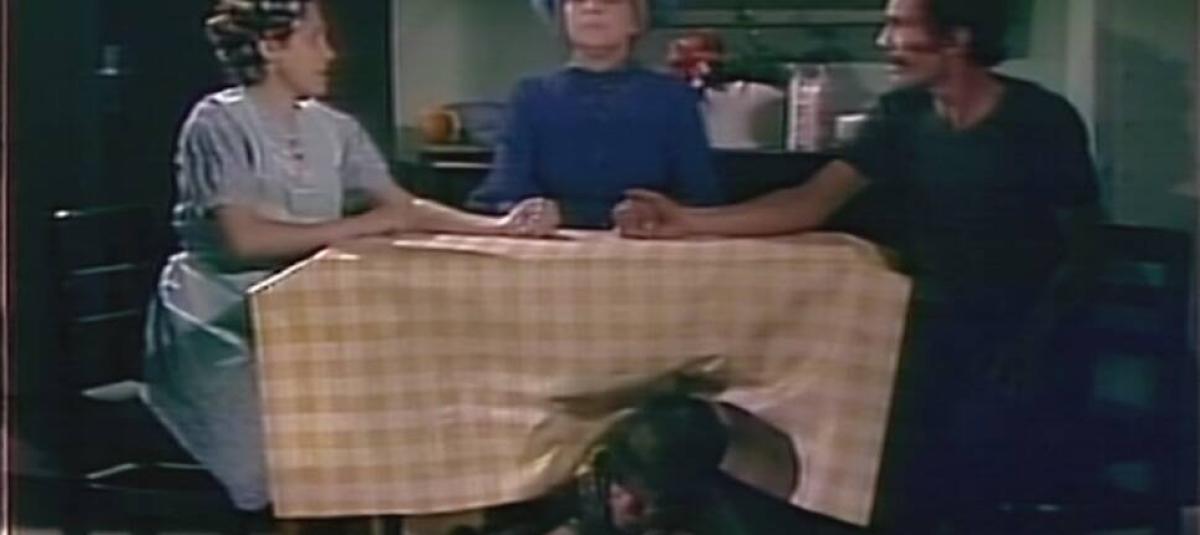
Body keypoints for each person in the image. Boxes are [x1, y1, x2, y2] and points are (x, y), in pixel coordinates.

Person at [612, 0, 1104, 530]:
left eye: (899, 25)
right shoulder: (902, 115)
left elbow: (1084, 246)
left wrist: (1035, 342)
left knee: (951, 451)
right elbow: (810, 202)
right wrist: (687, 220)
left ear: (957, 37)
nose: (883, 41)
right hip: (930, 328)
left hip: (1019, 334)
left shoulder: (1038, 120)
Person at [142, 0, 556, 513]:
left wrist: (501, 227)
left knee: (385, 412)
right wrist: (360, 226)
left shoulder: (332, 127)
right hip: (219, 320)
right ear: (270, 47)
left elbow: (402, 208)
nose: (331, 54)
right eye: (315, 39)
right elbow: (243, 241)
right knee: (271, 475)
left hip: (304, 316)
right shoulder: (217, 122)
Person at [466, 0, 723, 229]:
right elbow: (505, 190)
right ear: (562, 17)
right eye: (577, 0)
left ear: (636, 20)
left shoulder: (673, 97)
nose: (592, 7)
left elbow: (699, 195)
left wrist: (659, 213)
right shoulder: (530, 95)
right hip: (552, 243)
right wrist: (531, 213)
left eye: (610, 1)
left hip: (648, 243)